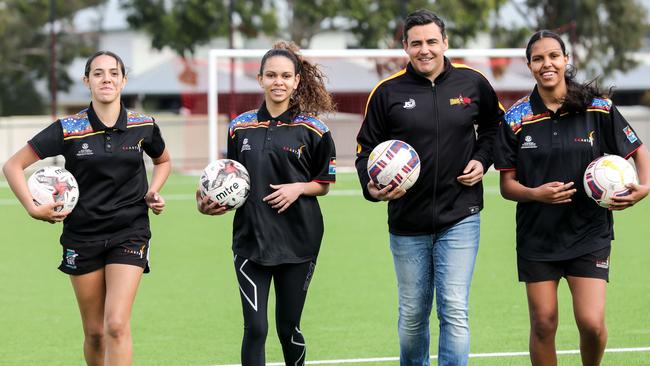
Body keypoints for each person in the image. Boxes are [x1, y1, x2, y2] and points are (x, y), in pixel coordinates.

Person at [355, 9, 504, 366]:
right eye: (416, 43)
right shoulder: (386, 92)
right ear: (405, 46)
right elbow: (364, 152)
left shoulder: (473, 83)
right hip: (407, 222)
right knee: (411, 316)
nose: (425, 49)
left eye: (432, 41)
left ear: (445, 43)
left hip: (461, 216)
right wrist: (372, 187)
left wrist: (483, 160)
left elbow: (496, 128)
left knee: (454, 309)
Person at [2, 51, 171, 365]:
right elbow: (13, 166)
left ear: (123, 80)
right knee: (95, 332)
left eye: (112, 73)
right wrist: (31, 207)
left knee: (117, 326)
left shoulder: (143, 125)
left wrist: (153, 190)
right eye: (98, 73)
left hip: (130, 232)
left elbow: (163, 161)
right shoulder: (68, 127)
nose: (106, 79)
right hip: (82, 235)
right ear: (87, 81)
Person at [494, 30, 650, 366]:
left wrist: (645, 187)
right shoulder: (515, 117)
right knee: (544, 324)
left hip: (589, 233)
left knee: (592, 324)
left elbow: (639, 151)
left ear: (566, 60)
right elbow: (507, 186)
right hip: (538, 236)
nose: (546, 64)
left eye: (553, 56)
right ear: (530, 66)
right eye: (538, 58)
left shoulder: (598, 109)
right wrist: (536, 193)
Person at [196, 41, 336, 365]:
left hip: (299, 242)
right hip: (250, 242)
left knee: (288, 329)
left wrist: (298, 188)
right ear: (260, 79)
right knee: (255, 328)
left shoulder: (314, 129)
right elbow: (225, 177)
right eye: (271, 75)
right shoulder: (239, 126)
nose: (279, 82)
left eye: (286, 76)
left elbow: (324, 184)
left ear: (297, 80)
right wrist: (203, 203)